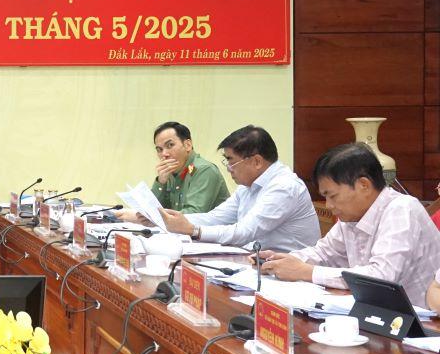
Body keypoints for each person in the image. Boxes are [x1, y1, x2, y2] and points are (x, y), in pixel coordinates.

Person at [261, 144, 440, 306]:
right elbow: (324, 253)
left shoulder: (401, 209)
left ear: (363, 185)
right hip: (379, 315)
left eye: (333, 196)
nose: (329, 205)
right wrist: (281, 261)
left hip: (422, 324)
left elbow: (381, 278)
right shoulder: (353, 215)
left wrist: (308, 272)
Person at [161, 125, 318, 252]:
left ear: (257, 161)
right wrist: (168, 220)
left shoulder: (284, 187)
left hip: (291, 272)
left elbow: (244, 232)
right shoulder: (248, 185)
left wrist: (194, 231)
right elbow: (215, 217)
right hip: (258, 262)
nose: (228, 168)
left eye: (231, 161)